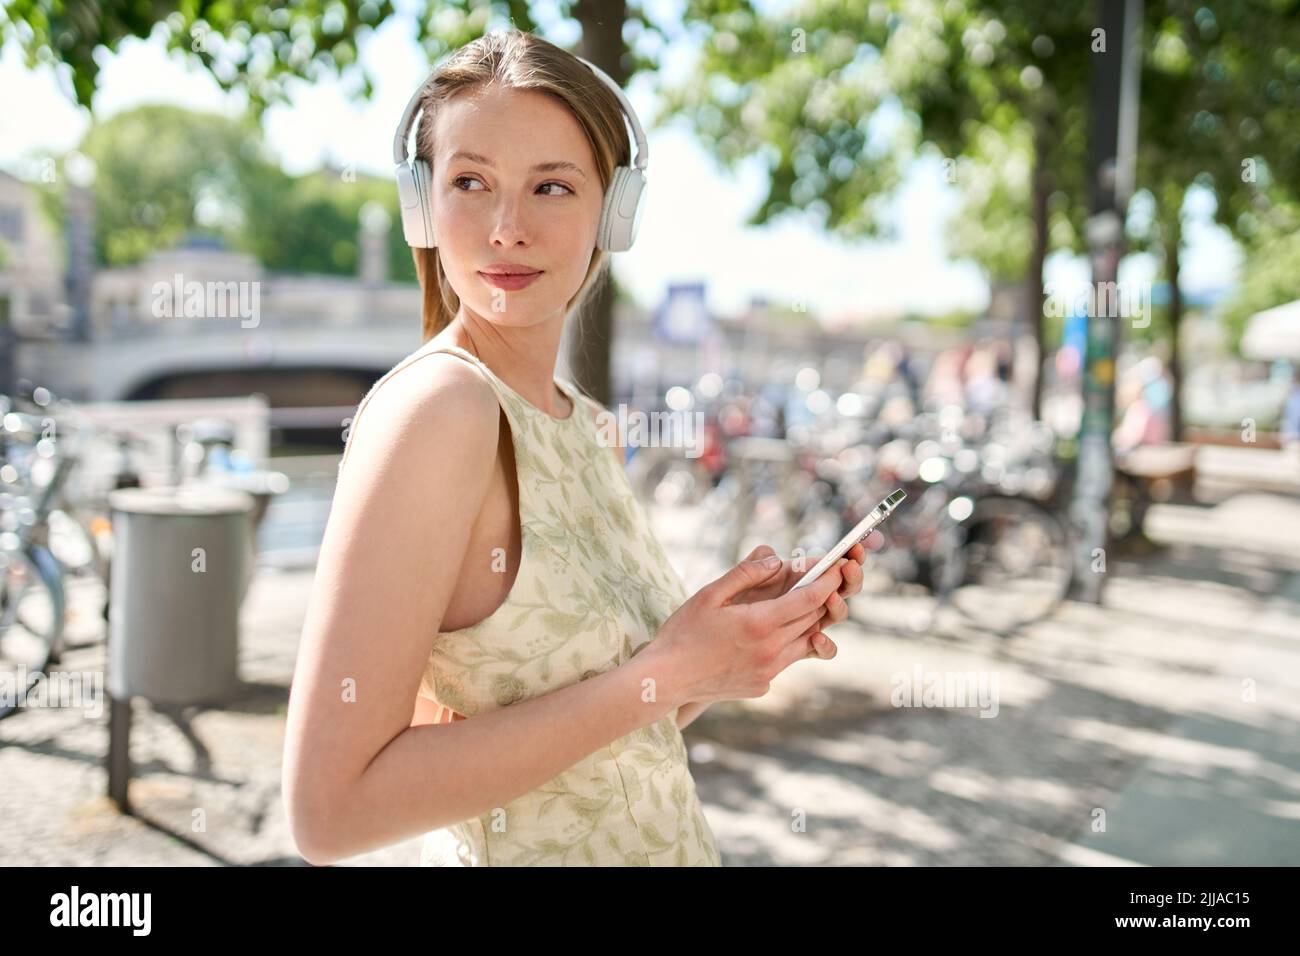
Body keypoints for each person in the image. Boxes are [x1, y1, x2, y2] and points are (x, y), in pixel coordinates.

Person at [281, 30, 880, 868]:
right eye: (469, 182)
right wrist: (666, 674)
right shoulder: (439, 411)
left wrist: (718, 652)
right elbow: (329, 812)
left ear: (614, 211)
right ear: (422, 205)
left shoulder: (587, 425)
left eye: (552, 186)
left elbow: (611, 728)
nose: (506, 228)